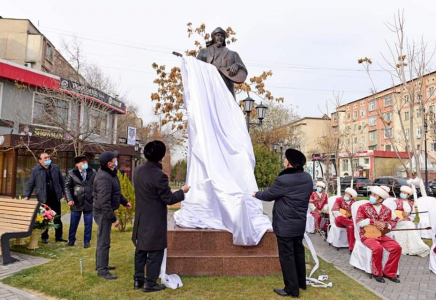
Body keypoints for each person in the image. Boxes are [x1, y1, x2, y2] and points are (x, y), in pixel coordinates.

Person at [253, 149, 313, 298]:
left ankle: (291, 289)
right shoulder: (307, 178)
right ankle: (300, 283)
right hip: (299, 224)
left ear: (289, 163)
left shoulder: (284, 180)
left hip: (285, 225)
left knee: (287, 256)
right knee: (298, 252)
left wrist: (256, 194)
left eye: (286, 159)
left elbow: (268, 195)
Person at [132, 141, 190, 293]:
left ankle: (138, 280)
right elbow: (169, 199)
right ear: (161, 156)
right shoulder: (160, 176)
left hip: (140, 217)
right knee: (155, 251)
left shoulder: (137, 170)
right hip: (154, 219)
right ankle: (150, 283)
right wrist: (182, 191)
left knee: (141, 250)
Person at [93, 151, 132, 280]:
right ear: (109, 163)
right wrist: (113, 219)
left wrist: (124, 202)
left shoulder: (110, 174)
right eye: (114, 159)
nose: (116, 160)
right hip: (103, 212)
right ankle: (102, 270)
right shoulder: (104, 177)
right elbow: (104, 202)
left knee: (104, 240)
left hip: (105, 210)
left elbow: (115, 193)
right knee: (104, 241)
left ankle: (101, 264)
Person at [356, 185, 401, 283]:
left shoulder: (387, 210)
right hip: (366, 235)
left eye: (374, 195)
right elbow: (359, 221)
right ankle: (377, 273)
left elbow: (393, 222)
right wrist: (373, 222)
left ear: (381, 199)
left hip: (381, 235)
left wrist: (386, 224)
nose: (371, 196)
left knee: (397, 248)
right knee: (378, 248)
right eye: (372, 194)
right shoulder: (363, 207)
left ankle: (389, 272)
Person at [24, 152, 67, 243]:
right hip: (43, 198)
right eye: (45, 158)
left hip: (55, 197)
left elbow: (62, 182)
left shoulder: (55, 168)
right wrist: (27, 196)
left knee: (57, 217)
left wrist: (66, 194)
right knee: (45, 218)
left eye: (48, 157)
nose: (47, 159)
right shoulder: (36, 170)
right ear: (40, 160)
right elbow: (31, 184)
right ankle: (44, 237)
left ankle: (58, 236)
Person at [196, 27, 247, 97]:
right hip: (210, 87)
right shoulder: (204, 52)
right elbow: (196, 68)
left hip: (226, 88)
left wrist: (237, 65)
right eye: (218, 35)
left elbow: (244, 70)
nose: (220, 37)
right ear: (213, 37)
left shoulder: (232, 54)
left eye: (222, 36)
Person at [65, 155, 96, 248]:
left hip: (89, 201)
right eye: (82, 163)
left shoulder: (93, 172)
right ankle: (71, 240)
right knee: (74, 223)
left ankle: (87, 241)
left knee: (88, 223)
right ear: (77, 164)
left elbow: (96, 184)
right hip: (76, 201)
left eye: (86, 162)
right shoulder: (71, 173)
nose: (85, 164)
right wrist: (69, 199)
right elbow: (67, 186)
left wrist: (94, 196)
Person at [391, 185, 429, 257]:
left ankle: (415, 247)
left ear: (408, 195)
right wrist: (400, 217)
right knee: (410, 225)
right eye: (402, 192)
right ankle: (420, 246)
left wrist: (408, 218)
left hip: (407, 222)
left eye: (404, 193)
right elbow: (391, 213)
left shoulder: (411, 203)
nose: (402, 193)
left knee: (409, 224)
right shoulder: (395, 202)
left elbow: (413, 215)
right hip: (397, 223)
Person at [331, 187, 357, 251]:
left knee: (350, 227)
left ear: (351, 197)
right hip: (340, 220)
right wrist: (344, 216)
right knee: (340, 218)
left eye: (348, 194)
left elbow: (355, 213)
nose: (346, 195)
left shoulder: (354, 202)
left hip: (349, 221)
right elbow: (334, 211)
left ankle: (351, 248)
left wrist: (350, 217)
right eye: (346, 193)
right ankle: (353, 224)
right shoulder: (339, 200)